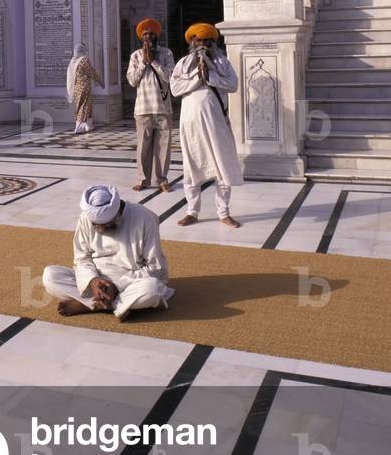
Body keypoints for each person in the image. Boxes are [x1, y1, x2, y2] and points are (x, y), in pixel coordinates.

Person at [42, 184, 174, 321]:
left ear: (117, 212)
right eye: (95, 224)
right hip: (97, 281)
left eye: (106, 224)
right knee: (50, 276)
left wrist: (117, 286)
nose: (100, 228)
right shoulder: (86, 218)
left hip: (131, 282)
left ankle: (91, 305)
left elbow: (156, 268)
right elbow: (82, 257)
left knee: (152, 289)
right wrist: (92, 281)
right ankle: (118, 305)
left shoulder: (145, 218)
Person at [170, 22, 243, 229]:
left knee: (222, 166)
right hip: (191, 124)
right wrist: (197, 76)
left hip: (216, 123)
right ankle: (192, 211)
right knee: (191, 167)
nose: (202, 44)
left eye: (206, 40)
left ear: (212, 42)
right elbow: (175, 88)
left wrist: (210, 74)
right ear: (192, 42)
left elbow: (233, 84)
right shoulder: (183, 63)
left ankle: (224, 212)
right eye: (198, 40)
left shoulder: (221, 62)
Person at [126, 18, 175, 192]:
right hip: (143, 108)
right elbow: (132, 81)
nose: (148, 37)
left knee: (163, 146)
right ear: (141, 37)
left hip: (163, 108)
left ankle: (161, 179)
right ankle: (143, 179)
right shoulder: (135, 56)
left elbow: (170, 77)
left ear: (156, 35)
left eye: (151, 33)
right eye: (145, 34)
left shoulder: (166, 54)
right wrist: (144, 63)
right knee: (143, 147)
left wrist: (154, 61)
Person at [66, 42, 104, 133]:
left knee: (85, 106)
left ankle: (88, 125)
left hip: (76, 88)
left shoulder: (73, 61)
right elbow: (92, 72)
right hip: (84, 88)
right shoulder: (84, 60)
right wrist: (100, 82)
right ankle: (78, 127)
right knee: (83, 106)